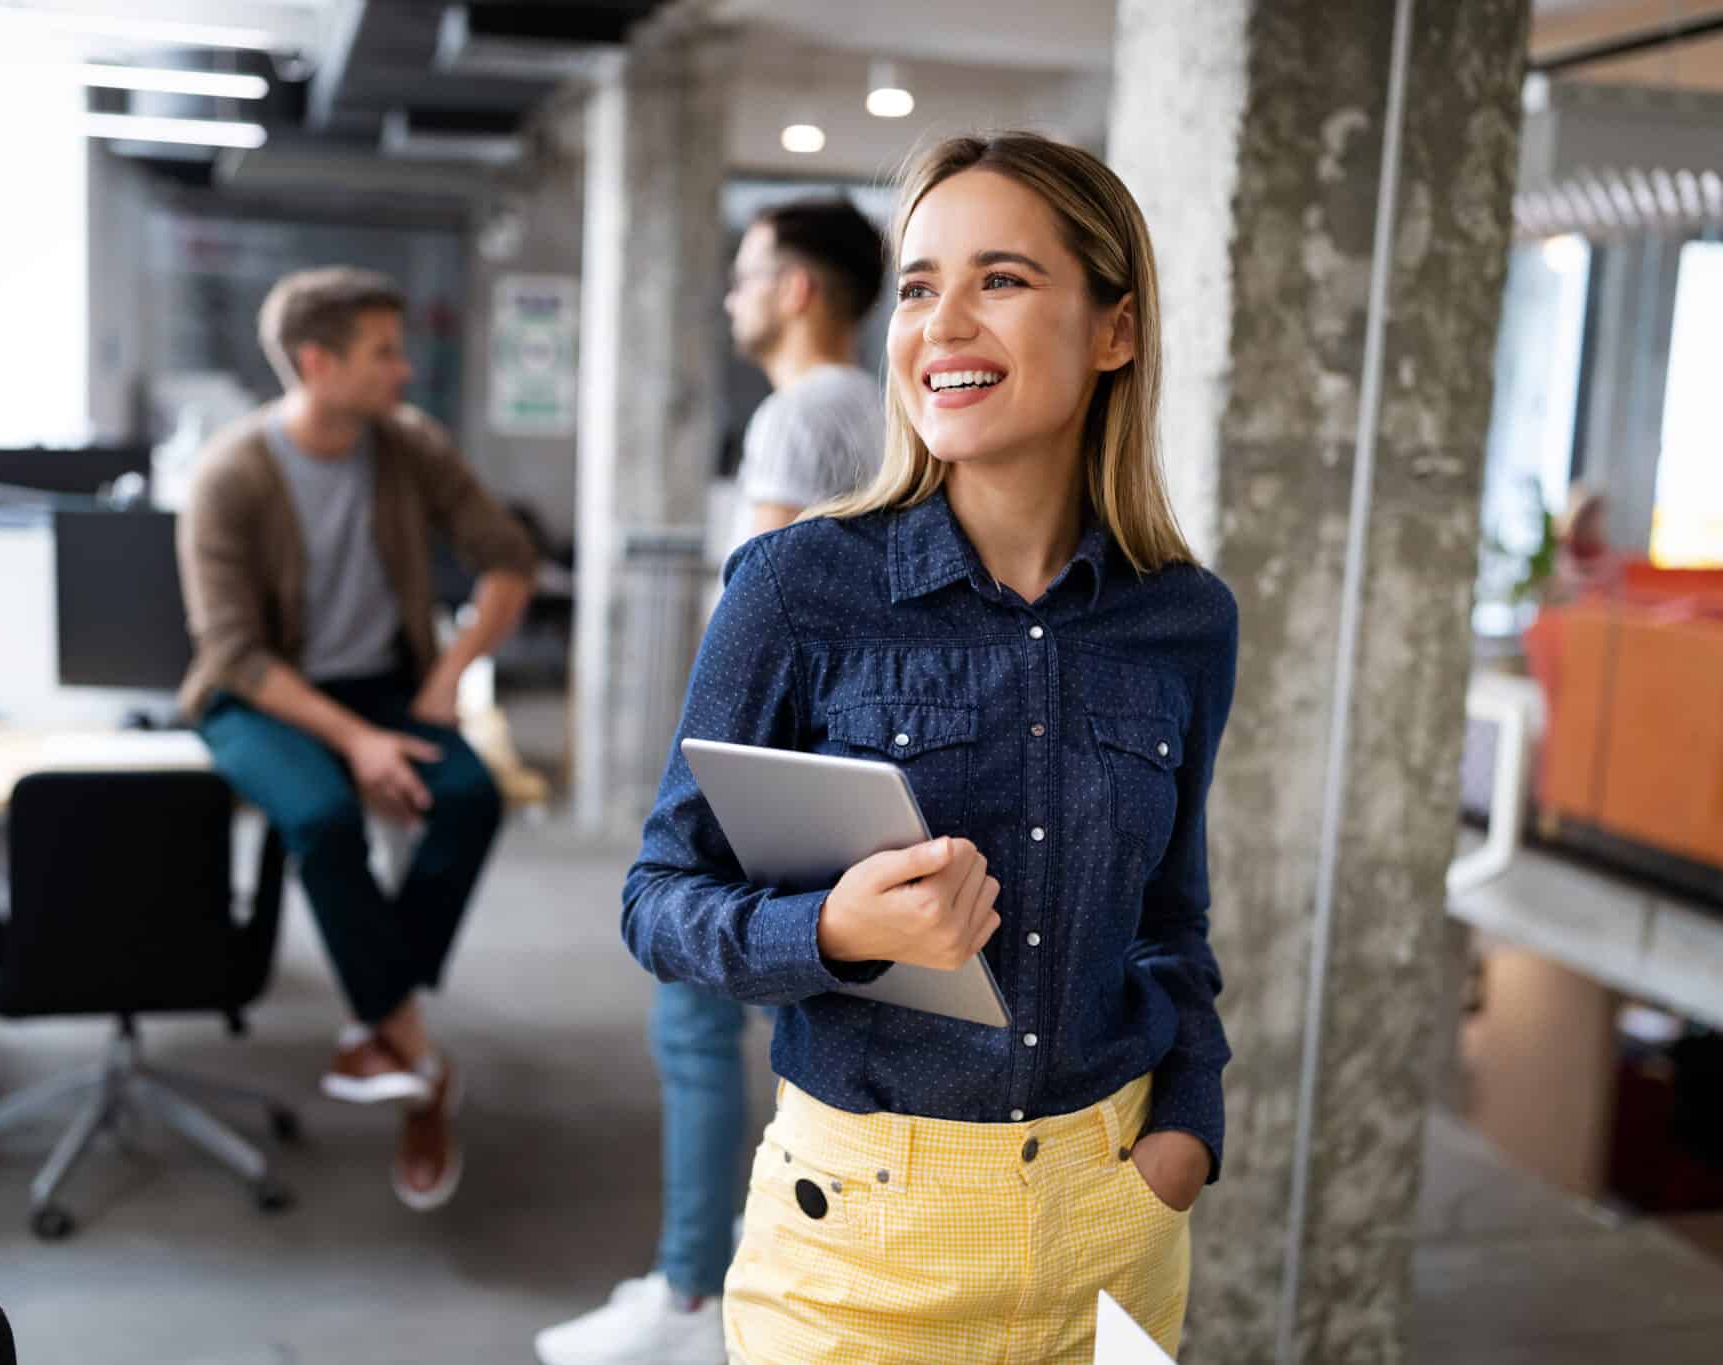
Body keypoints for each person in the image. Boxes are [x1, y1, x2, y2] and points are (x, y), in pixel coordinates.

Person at [621, 132, 1238, 1362]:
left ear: (1113, 330)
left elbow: (1170, 919)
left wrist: (1188, 1129)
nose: (941, 323)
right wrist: (834, 933)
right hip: (860, 1239)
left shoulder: (1182, 619)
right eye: (916, 287)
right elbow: (656, 901)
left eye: (999, 280)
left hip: (1111, 1222)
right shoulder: (795, 588)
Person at [535, 198, 886, 1365]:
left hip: (773, 762)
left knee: (692, 1014)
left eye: (745, 275)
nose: (730, 297)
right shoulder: (882, 414)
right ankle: (750, 1273)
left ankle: (692, 1291)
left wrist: (699, 771)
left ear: (799, 289)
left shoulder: (797, 419)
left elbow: (756, 621)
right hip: (854, 753)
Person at [175, 266, 538, 1212]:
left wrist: (445, 677)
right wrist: (356, 742)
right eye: (384, 352)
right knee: (324, 815)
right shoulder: (228, 475)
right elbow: (236, 654)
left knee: (470, 794)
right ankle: (414, 1051)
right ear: (315, 361)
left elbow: (508, 559)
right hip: (256, 698)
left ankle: (379, 1020)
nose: (404, 370)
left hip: (387, 683)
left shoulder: (407, 446)